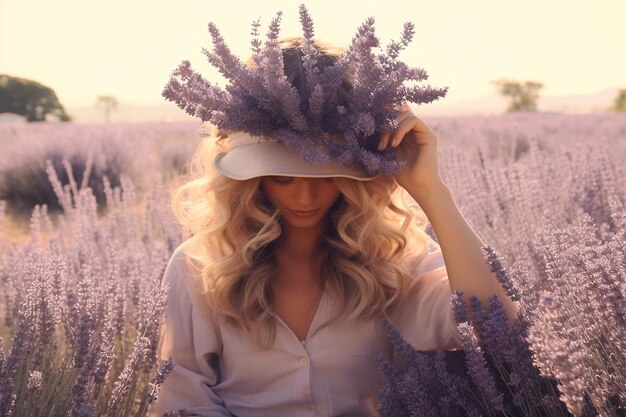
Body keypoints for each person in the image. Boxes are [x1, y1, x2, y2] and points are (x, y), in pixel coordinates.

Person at [150, 9, 520, 417]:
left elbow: (494, 326)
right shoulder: (198, 266)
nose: (306, 195)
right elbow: (182, 400)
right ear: (248, 179)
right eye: (282, 177)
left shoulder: (393, 256)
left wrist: (431, 192)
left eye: (328, 176)